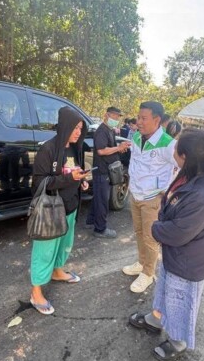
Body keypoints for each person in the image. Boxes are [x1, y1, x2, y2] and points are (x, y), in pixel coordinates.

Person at [128, 129, 204, 361]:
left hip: (190, 261)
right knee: (166, 289)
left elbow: (179, 232)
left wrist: (155, 227)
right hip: (179, 255)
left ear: (185, 156)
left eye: (175, 149)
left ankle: (178, 341)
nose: (172, 152)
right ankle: (156, 318)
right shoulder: (193, 174)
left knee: (181, 300)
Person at [29, 107, 89, 315]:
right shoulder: (48, 149)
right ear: (65, 126)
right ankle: (36, 292)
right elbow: (39, 182)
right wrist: (68, 179)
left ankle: (57, 271)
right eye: (75, 127)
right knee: (44, 251)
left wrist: (80, 182)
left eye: (81, 128)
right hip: (51, 211)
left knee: (64, 245)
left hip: (70, 207)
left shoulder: (74, 148)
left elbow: (73, 172)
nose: (78, 132)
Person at [122, 101, 177, 293]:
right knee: (139, 233)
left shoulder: (168, 144)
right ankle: (141, 263)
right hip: (136, 194)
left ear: (157, 120)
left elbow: (181, 166)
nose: (139, 122)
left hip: (153, 198)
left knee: (150, 237)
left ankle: (148, 273)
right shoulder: (137, 136)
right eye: (138, 117)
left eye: (143, 118)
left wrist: (168, 190)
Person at [85, 106, 131, 238]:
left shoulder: (110, 130)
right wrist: (118, 148)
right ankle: (100, 229)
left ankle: (91, 220)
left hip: (106, 170)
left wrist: (119, 148)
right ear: (106, 115)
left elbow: (110, 148)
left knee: (98, 198)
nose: (116, 119)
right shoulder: (101, 131)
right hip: (101, 170)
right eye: (114, 116)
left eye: (117, 117)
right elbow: (101, 151)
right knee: (103, 201)